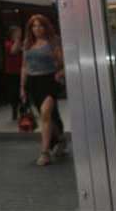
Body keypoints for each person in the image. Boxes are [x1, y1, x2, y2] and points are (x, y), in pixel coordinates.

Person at [19, 14, 66, 166]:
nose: (37, 29)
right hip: (33, 83)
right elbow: (24, 67)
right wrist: (22, 87)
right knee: (48, 117)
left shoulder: (53, 42)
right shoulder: (27, 43)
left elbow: (63, 62)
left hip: (49, 80)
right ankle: (59, 139)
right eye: (34, 26)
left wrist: (60, 72)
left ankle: (44, 152)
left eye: (40, 25)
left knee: (45, 114)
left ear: (46, 27)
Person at [4, 26, 23, 121]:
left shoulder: (20, 43)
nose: (19, 34)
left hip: (22, 71)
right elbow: (13, 51)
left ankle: (24, 110)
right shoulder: (8, 43)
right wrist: (17, 40)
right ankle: (15, 111)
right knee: (14, 92)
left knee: (23, 91)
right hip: (12, 72)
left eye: (20, 32)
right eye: (17, 32)